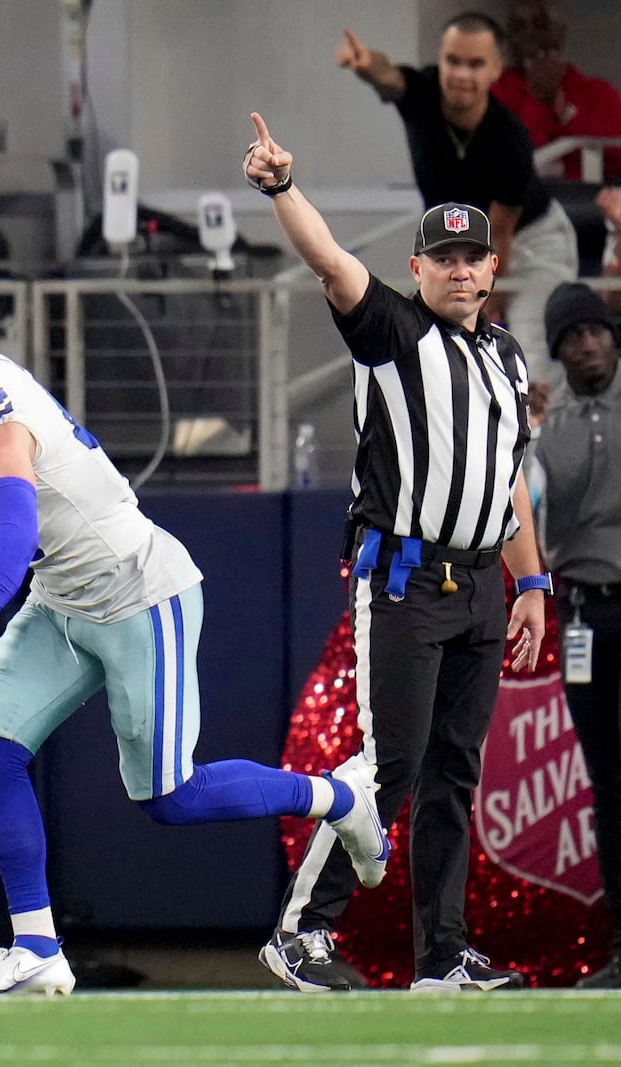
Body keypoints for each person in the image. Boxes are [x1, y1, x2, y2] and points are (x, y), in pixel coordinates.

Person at [0, 261, 389, 996]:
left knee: (173, 795)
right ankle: (36, 946)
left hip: (138, 593)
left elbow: (12, 534)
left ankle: (339, 797)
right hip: (65, 596)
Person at [245, 111, 550, 992]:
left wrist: (530, 579)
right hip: (408, 578)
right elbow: (330, 260)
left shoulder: (502, 353)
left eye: (473, 257)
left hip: (485, 584)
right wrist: (279, 188)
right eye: (443, 258)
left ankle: (442, 955)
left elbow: (509, 475)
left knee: (457, 772)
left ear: (495, 267)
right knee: (392, 763)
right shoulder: (390, 332)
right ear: (417, 269)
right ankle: (302, 931)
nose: (460, 270)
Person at [337, 12, 578, 384]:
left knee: (528, 354)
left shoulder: (510, 138)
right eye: (453, 61)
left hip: (532, 241)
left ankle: (537, 436)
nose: (462, 74)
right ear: (440, 59)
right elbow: (390, 78)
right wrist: (367, 67)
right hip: (464, 245)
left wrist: (486, 309)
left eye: (475, 64)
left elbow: (501, 238)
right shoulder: (423, 93)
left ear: (496, 70)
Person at [533, 281, 621, 988]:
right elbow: (527, 508)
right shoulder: (547, 424)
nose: (587, 344)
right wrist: (522, 431)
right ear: (558, 351)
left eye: (595, 331)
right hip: (586, 610)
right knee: (607, 788)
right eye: (573, 337)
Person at [492, 0, 621, 183]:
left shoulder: (597, 91)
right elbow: (507, 160)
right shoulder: (493, 94)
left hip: (592, 201)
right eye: (519, 27)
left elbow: (616, 151)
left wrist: (565, 113)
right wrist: (537, 100)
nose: (530, 35)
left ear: (560, 33)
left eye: (541, 25)